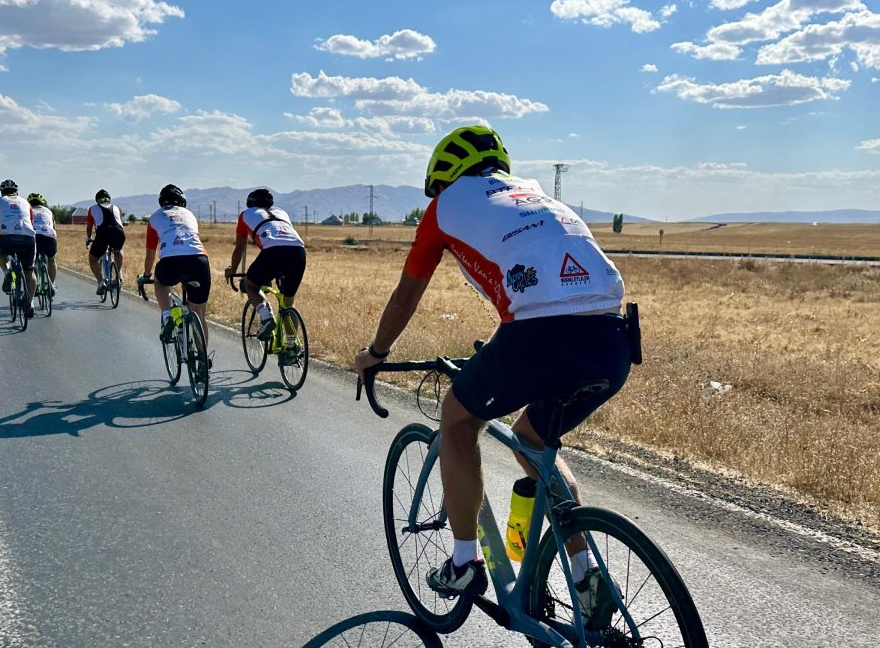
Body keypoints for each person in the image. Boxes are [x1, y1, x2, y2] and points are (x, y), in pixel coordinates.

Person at [353, 126, 632, 629]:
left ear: (444, 177)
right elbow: (546, 283)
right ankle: (586, 572)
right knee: (534, 440)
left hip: (537, 338)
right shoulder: (536, 195)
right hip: (613, 337)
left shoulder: (443, 208)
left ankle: (464, 563)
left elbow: (406, 295)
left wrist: (376, 353)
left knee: (458, 420)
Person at [223, 188, 306, 341]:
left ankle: (267, 318)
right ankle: (291, 346)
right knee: (288, 303)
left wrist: (232, 270)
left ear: (250, 204)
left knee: (251, 284)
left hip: (273, 252)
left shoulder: (245, 215)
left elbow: (239, 248)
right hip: (298, 251)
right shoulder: (282, 212)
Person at [136, 185, 211, 344]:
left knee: (160, 282)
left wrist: (147, 275)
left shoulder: (155, 217)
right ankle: (203, 361)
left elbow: (150, 253)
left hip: (171, 261)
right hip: (199, 261)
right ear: (182, 202)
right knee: (198, 313)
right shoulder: (189, 214)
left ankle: (167, 315)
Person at [0, 179, 38, 317]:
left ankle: (7, 272)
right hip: (28, 238)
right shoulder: (26, 203)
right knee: (29, 271)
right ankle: (31, 302)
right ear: (16, 192)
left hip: (7, 238)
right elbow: (32, 223)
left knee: (0, 253)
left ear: (1, 192)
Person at [86, 189, 125, 296]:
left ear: (97, 200)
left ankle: (101, 282)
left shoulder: (92, 209)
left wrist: (88, 238)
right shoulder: (117, 208)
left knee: (93, 260)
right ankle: (119, 276)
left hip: (103, 233)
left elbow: (89, 227)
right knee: (119, 250)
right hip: (119, 232)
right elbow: (120, 223)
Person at [27, 193, 57, 297]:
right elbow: (53, 226)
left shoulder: (28, 210)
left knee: (32, 262)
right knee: (52, 260)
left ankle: (35, 287)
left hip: (35, 237)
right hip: (49, 237)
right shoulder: (49, 211)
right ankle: (51, 285)